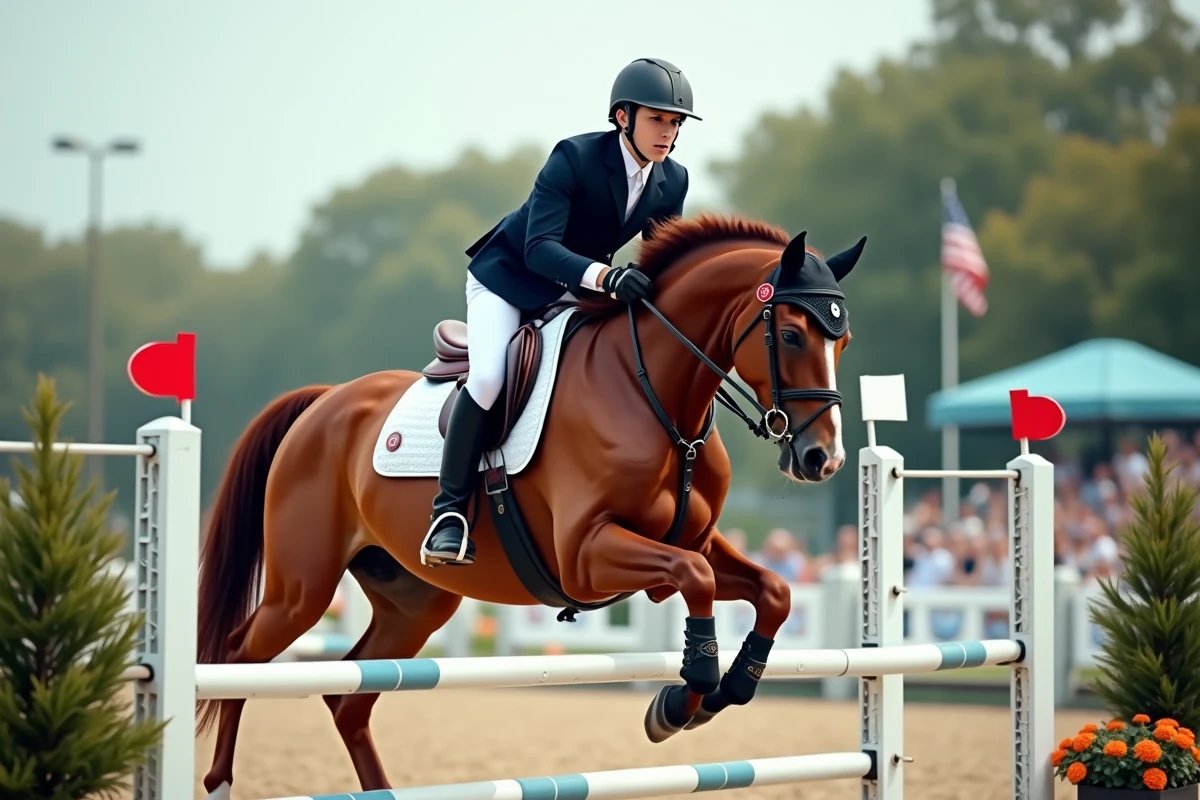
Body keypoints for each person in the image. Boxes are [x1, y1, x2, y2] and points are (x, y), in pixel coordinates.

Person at [420, 57, 700, 567]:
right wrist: (609, 277)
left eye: (676, 122)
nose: (669, 132)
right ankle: (449, 514)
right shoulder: (574, 158)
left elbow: (660, 258)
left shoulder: (672, 179)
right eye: (658, 119)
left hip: (578, 289)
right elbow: (539, 249)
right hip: (509, 279)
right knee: (487, 377)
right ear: (623, 117)